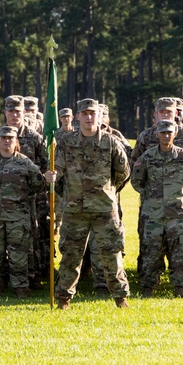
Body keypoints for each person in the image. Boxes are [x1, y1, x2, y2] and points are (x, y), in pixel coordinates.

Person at [45, 99, 131, 309]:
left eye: (93, 113)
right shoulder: (66, 143)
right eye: (85, 114)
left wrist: (108, 191)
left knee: (112, 255)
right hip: (75, 210)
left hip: (104, 209)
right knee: (71, 257)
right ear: (78, 117)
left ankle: (120, 298)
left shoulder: (111, 142)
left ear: (100, 116)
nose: (89, 117)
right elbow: (59, 173)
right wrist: (53, 179)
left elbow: (123, 172)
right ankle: (63, 299)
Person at [0, 125, 47, 298]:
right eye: (3, 138)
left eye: (10, 138)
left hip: (17, 217)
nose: (7, 141)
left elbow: (37, 183)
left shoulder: (25, 162)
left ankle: (20, 287)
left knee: (18, 253)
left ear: (16, 141)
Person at [131, 120, 183, 297]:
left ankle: (182, 287)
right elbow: (137, 181)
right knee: (151, 251)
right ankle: (149, 287)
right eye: (162, 133)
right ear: (157, 135)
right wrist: (151, 197)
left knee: (180, 251)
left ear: (175, 134)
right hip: (153, 215)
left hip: (177, 215)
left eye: (169, 132)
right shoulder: (147, 157)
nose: (166, 135)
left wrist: (180, 196)